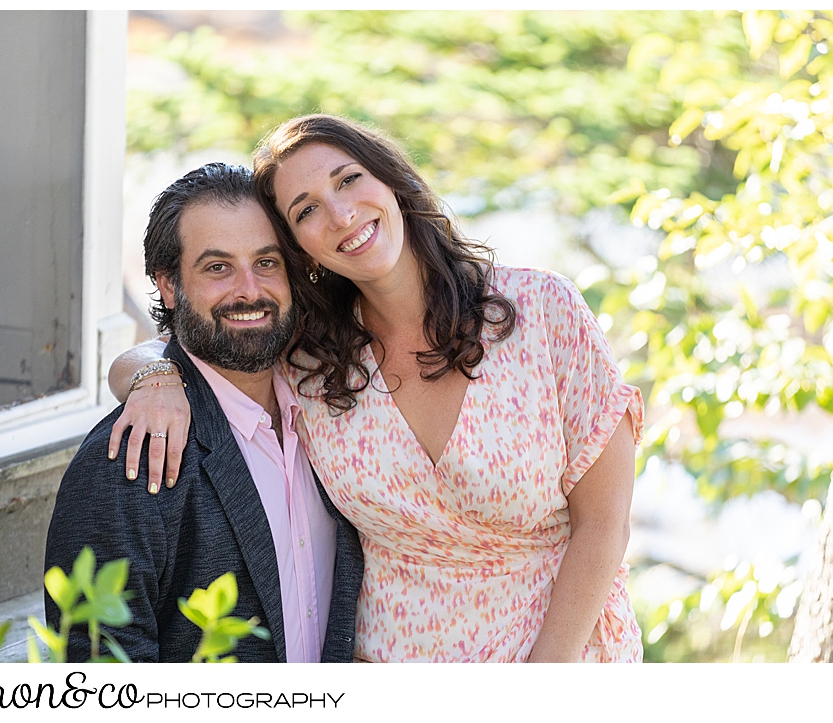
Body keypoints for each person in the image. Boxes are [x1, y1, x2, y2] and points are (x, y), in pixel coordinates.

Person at [109, 115, 644, 663]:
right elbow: (172, 354)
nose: (341, 215)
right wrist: (156, 378)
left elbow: (604, 525)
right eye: (307, 210)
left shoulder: (543, 312)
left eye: (348, 180)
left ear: (390, 180)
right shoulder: (308, 359)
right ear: (300, 248)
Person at [44, 163, 363, 662]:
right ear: (169, 285)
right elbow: (100, 674)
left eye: (267, 263)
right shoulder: (127, 461)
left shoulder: (331, 406)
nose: (249, 291)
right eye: (218, 267)